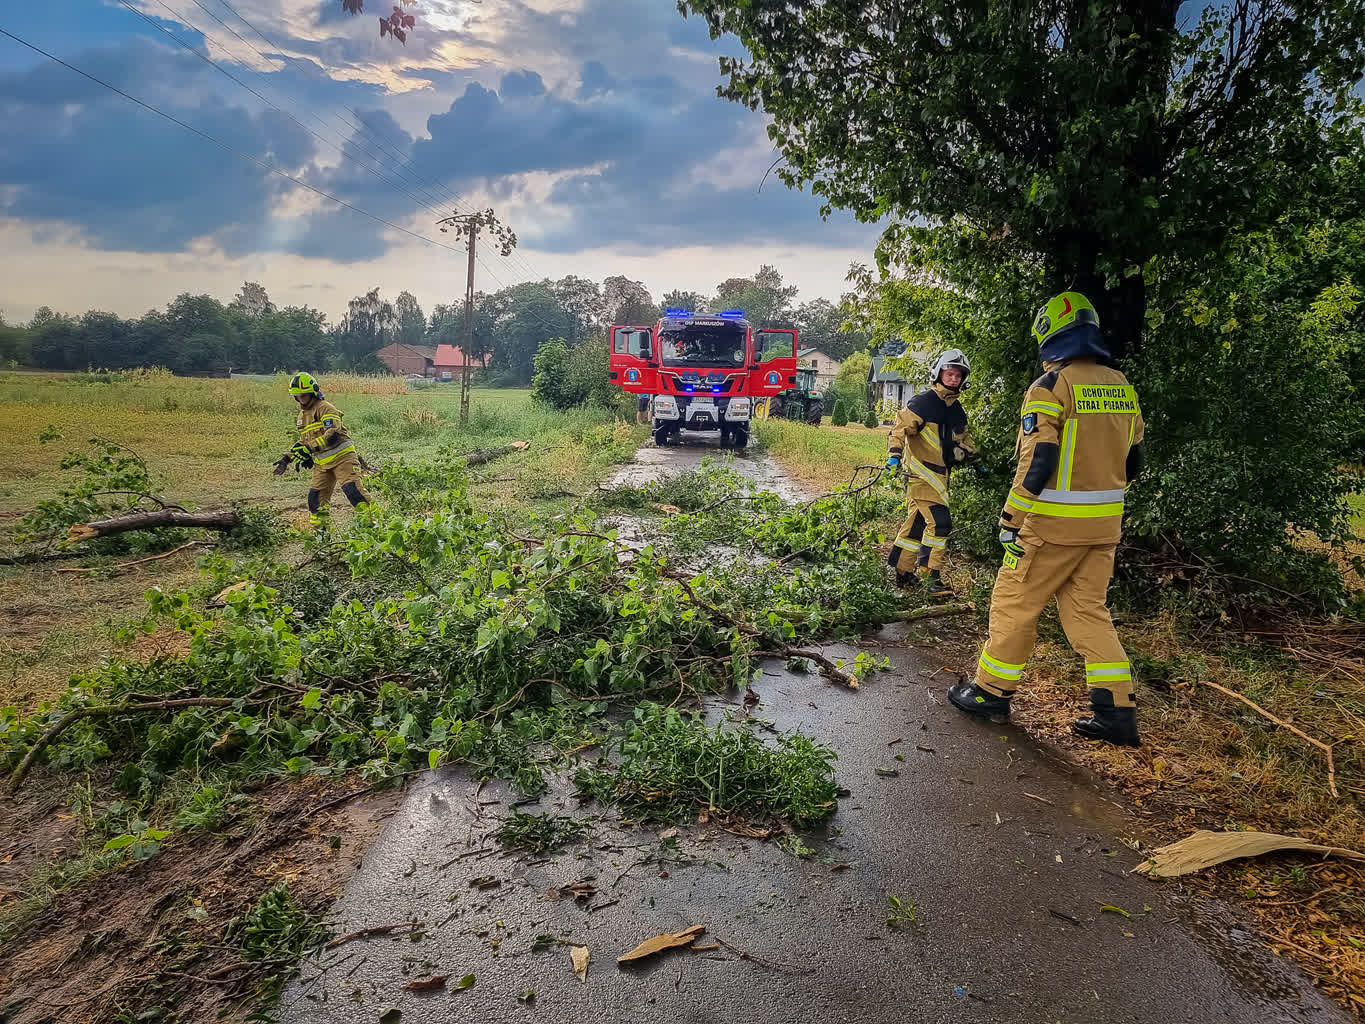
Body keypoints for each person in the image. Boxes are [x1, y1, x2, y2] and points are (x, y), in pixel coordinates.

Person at [948, 292, 1146, 747]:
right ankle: (1116, 713)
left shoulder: (1051, 387)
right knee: (1089, 612)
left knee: (1014, 604)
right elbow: (1134, 460)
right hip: (1103, 528)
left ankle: (991, 693)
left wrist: (1012, 515)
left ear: (1050, 333)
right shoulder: (1122, 386)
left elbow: (1039, 459)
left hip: (1050, 527)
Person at [884, 349, 977, 599]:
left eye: (959, 375)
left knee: (916, 525)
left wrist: (974, 458)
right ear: (939, 373)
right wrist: (894, 455)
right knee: (940, 524)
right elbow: (899, 429)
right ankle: (930, 578)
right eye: (950, 373)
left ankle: (903, 573)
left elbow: (963, 439)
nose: (954, 379)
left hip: (940, 478)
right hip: (921, 476)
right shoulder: (923, 403)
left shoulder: (956, 409)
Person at [273, 372, 370, 530]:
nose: (301, 399)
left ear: (313, 392)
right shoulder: (302, 417)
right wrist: (287, 458)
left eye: (303, 395)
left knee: (353, 492)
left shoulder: (325, 408)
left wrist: (309, 448)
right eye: (297, 396)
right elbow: (304, 441)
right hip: (322, 465)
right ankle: (322, 537)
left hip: (343, 459)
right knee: (315, 500)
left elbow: (332, 433)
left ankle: (377, 527)